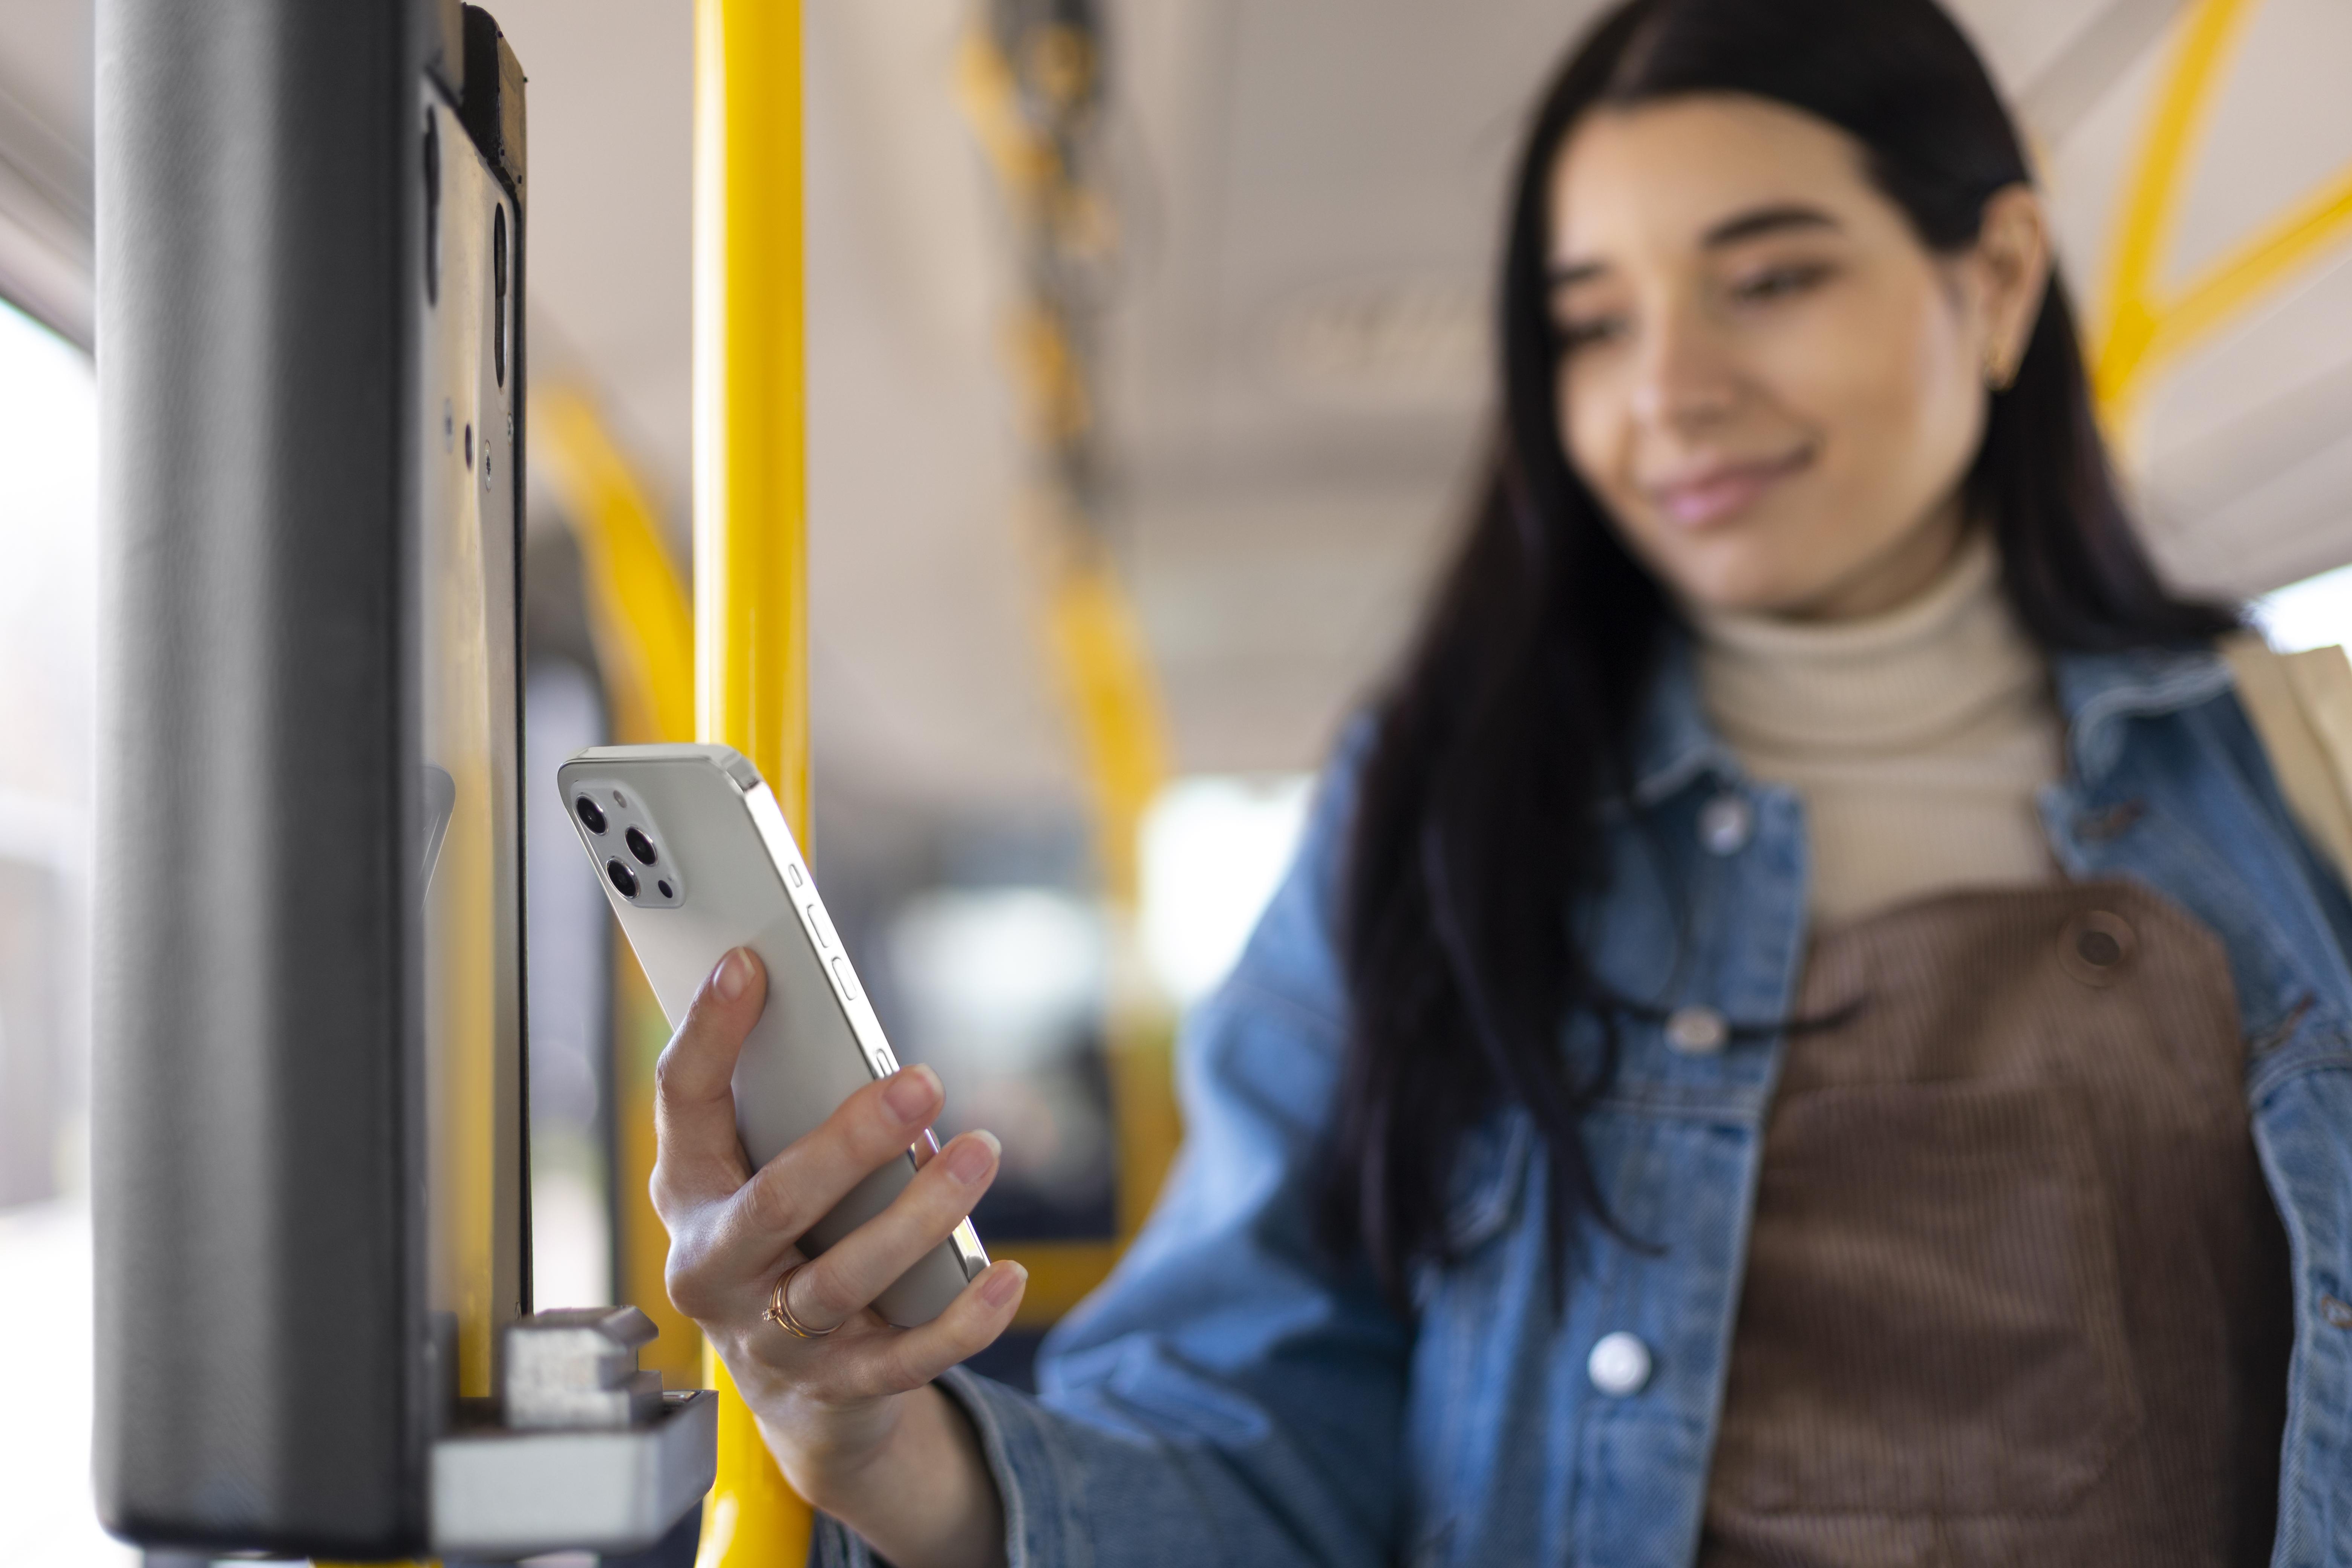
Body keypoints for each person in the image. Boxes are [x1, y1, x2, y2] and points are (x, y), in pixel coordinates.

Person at [648, 1, 2352, 1563]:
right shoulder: (1443, 818)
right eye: (1591, 323)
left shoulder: (2304, 775)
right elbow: (1253, 1448)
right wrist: (881, 1445)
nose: (1668, 390)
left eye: (1770, 280)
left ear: (1995, 277)